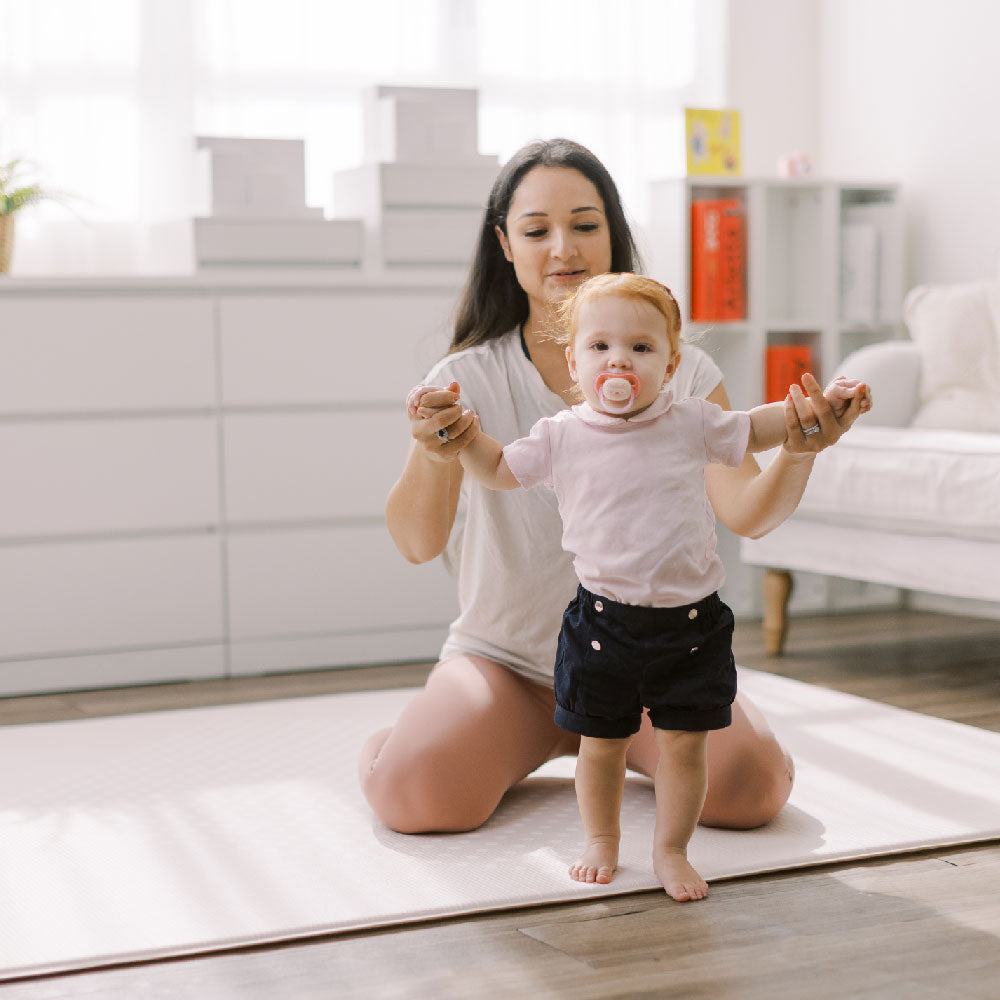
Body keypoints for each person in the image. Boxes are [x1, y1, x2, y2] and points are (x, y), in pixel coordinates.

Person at [360, 137, 871, 846]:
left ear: (615, 235)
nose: (563, 247)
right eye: (537, 230)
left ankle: (626, 753)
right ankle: (413, 738)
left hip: (652, 665)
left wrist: (799, 452)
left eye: (585, 223)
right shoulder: (467, 377)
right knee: (415, 797)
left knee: (754, 790)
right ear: (506, 245)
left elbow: (747, 514)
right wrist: (434, 449)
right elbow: (418, 543)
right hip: (508, 667)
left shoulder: (682, 372)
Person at [448, 272, 868, 900]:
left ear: (671, 364)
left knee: (685, 748)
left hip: (689, 625)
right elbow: (500, 470)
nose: (619, 360)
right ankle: (602, 842)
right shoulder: (562, 434)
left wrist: (820, 411)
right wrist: (459, 435)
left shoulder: (692, 422)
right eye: (600, 347)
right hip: (601, 624)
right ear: (575, 361)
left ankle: (672, 850)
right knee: (602, 745)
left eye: (641, 349)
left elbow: (761, 426)